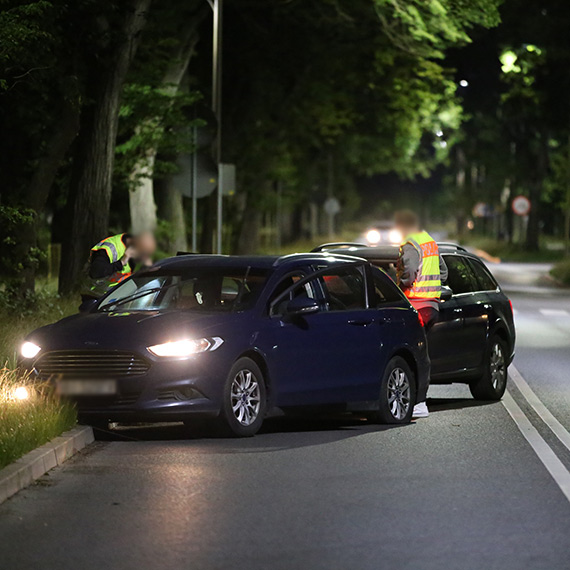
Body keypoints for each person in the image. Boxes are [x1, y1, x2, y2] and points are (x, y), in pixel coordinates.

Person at [394, 210, 448, 419]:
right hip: (432, 305)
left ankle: (418, 402)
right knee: (419, 352)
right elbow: (443, 272)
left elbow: (408, 274)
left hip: (415, 305)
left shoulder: (410, 244)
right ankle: (416, 401)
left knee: (415, 355)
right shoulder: (429, 241)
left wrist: (399, 284)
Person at [80, 231, 156, 309]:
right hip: (94, 297)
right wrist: (121, 262)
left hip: (114, 298)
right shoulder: (110, 248)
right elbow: (96, 272)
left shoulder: (133, 255)